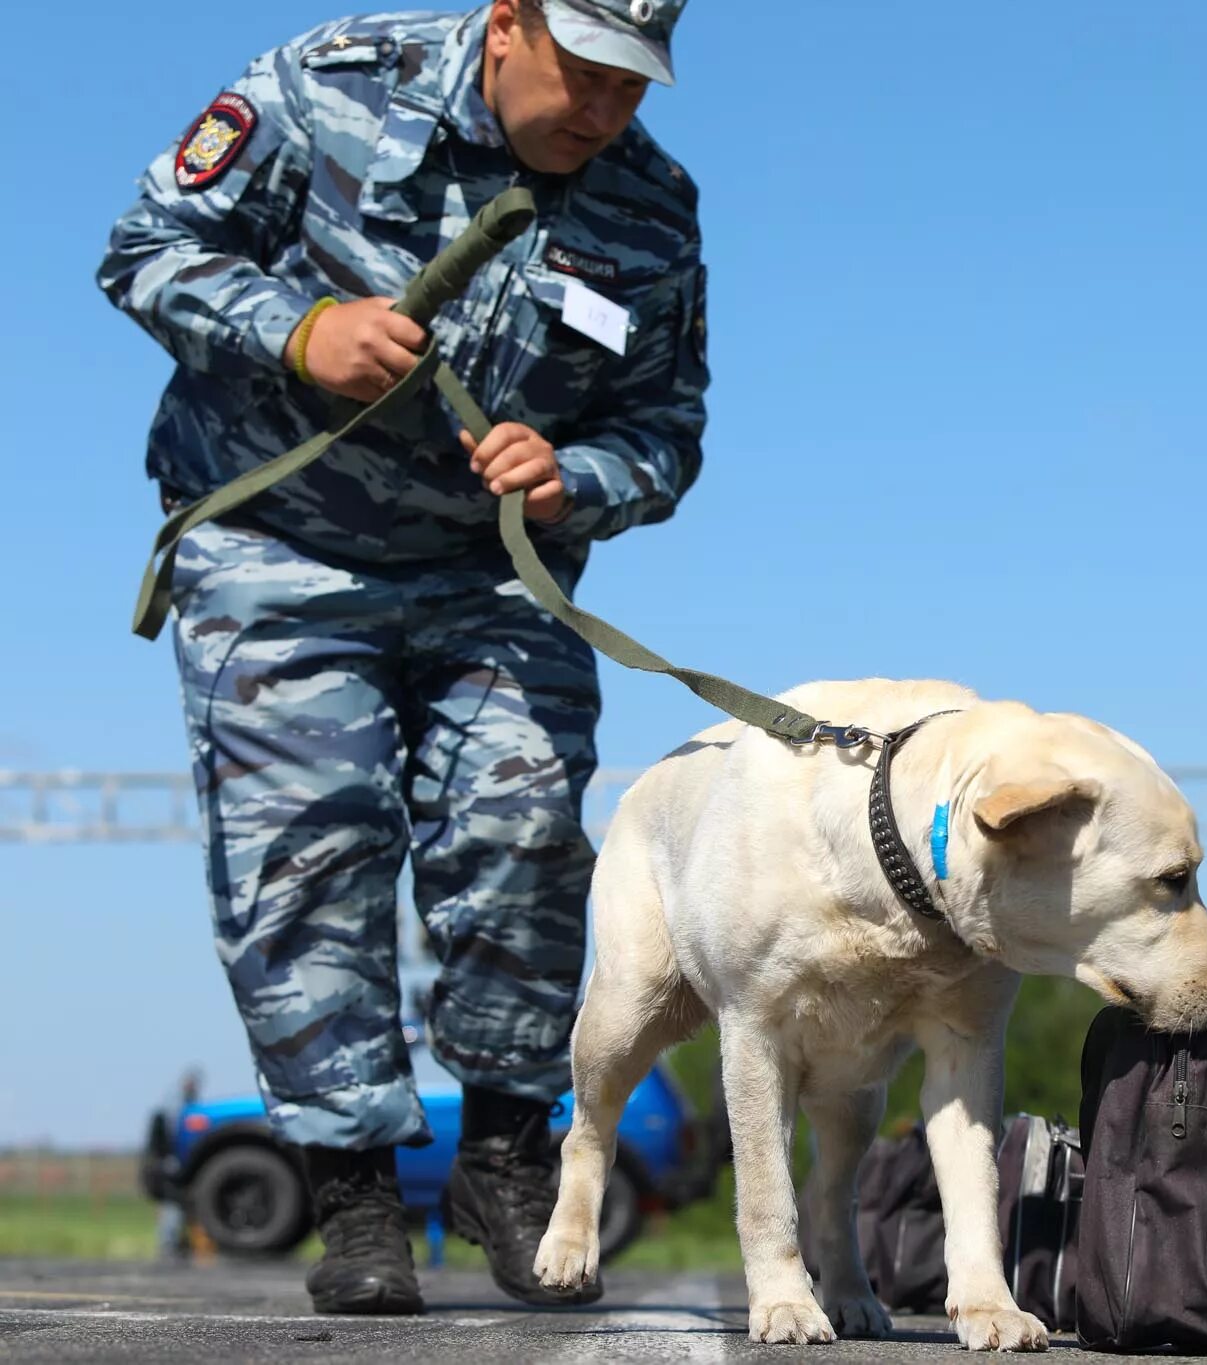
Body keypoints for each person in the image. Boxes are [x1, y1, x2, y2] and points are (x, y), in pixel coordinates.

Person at [97, 0, 705, 1315]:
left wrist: (574, 473)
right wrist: (298, 330)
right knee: (307, 845)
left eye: (633, 86)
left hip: (492, 574)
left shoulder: (651, 208)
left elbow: (665, 427)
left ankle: (500, 1153)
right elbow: (147, 249)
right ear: (507, 23)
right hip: (279, 548)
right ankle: (355, 1188)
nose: (603, 110)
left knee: (526, 832)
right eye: (583, 71)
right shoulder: (327, 84)